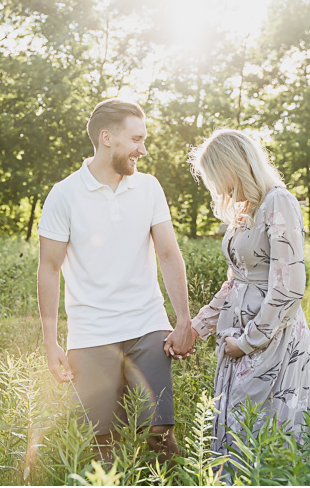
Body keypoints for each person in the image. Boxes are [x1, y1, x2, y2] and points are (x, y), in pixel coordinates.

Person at [37, 98, 196, 462]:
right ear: (107, 138)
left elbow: (169, 254)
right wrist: (50, 343)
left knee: (160, 436)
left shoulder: (149, 188)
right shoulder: (64, 195)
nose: (143, 149)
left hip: (147, 325)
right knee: (100, 447)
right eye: (136, 139)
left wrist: (184, 320)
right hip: (91, 334)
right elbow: (48, 268)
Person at [187, 128, 310, 455]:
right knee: (238, 432)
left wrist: (249, 342)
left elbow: (289, 287)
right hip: (237, 339)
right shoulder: (245, 210)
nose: (217, 188)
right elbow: (236, 280)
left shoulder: (279, 202)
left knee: (268, 435)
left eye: (216, 177)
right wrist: (198, 326)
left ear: (231, 166)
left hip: (269, 340)